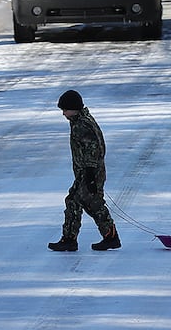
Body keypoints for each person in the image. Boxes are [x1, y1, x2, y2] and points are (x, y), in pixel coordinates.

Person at [49, 89, 121, 252]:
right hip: (85, 171)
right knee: (76, 201)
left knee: (90, 203)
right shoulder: (79, 121)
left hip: (91, 171)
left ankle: (109, 236)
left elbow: (93, 148)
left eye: (65, 110)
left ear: (73, 108)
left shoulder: (82, 124)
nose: (64, 114)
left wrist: (89, 173)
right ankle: (70, 239)